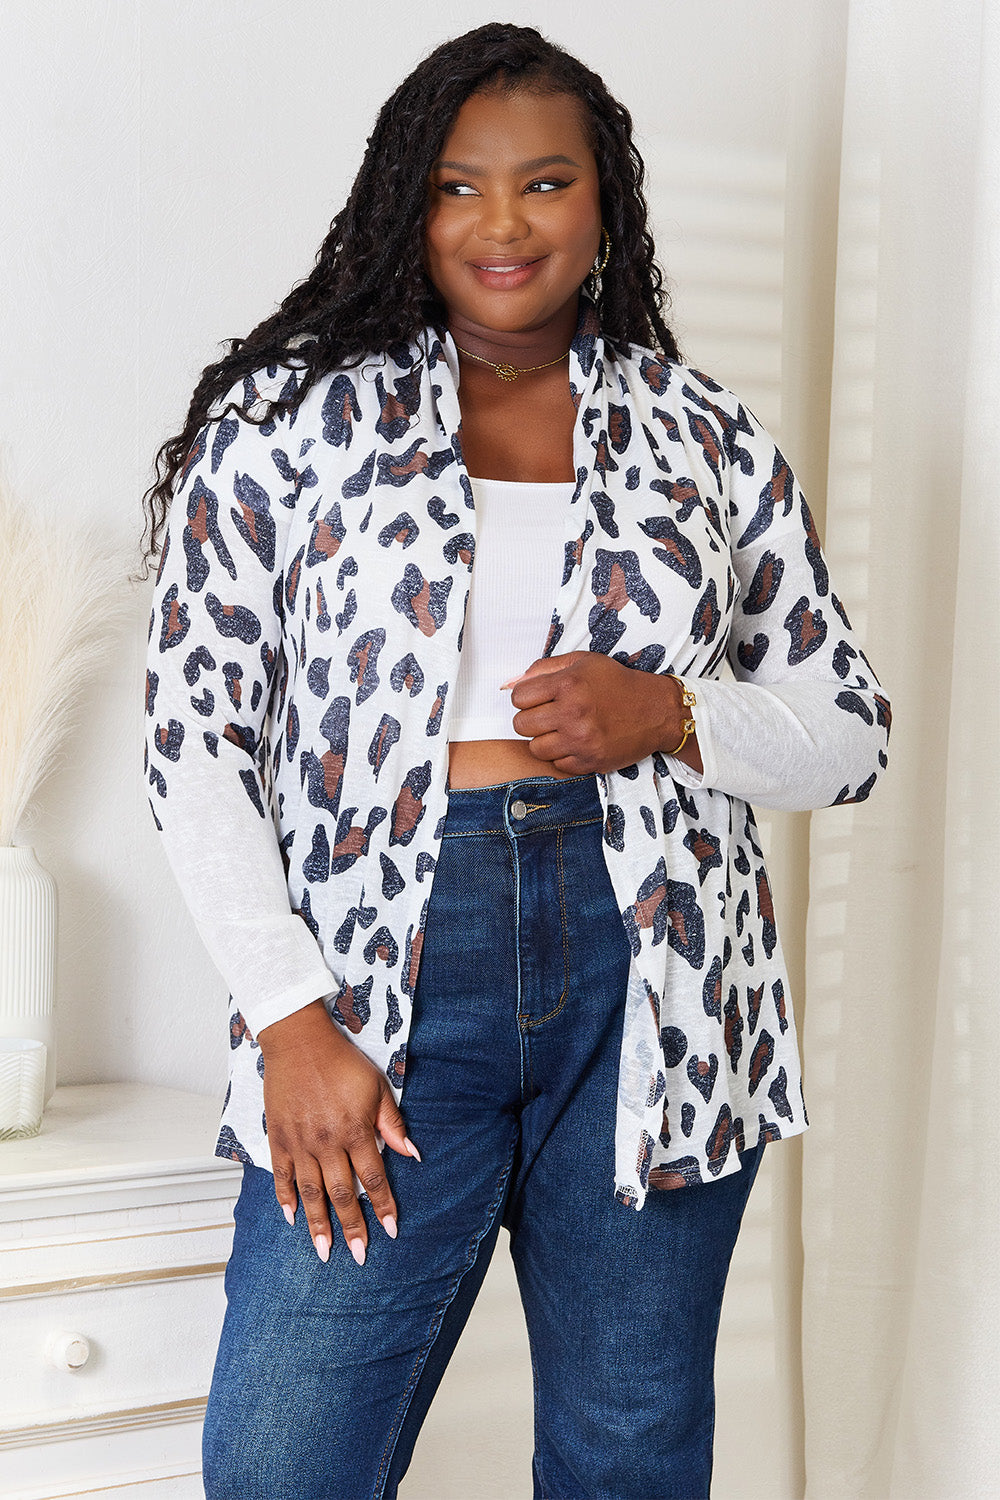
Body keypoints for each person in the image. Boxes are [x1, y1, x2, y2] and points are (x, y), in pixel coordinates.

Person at [143, 22, 889, 1500]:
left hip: (660, 982)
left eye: (546, 183)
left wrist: (671, 714)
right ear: (405, 206)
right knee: (287, 1460)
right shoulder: (290, 424)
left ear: (605, 203)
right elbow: (193, 738)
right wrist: (291, 1020)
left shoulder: (704, 439)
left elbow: (849, 730)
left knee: (631, 1453)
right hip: (381, 978)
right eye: (458, 186)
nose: (504, 224)